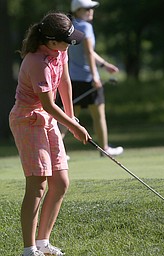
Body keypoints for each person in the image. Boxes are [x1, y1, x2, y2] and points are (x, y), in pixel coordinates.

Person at [9, 12, 91, 256]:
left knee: (61, 182)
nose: (71, 43)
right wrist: (75, 127)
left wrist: (72, 115)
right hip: (27, 120)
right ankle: (29, 248)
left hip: (48, 119)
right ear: (51, 41)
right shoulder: (37, 62)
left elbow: (65, 81)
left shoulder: (59, 52)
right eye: (68, 40)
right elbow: (47, 105)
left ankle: (43, 243)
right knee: (38, 185)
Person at [61, 0, 123, 156]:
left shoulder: (71, 27)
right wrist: (96, 76)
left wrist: (104, 65)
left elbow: (88, 52)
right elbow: (88, 52)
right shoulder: (86, 27)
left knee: (68, 117)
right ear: (78, 10)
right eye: (87, 9)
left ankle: (58, 151)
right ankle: (105, 149)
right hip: (88, 79)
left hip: (73, 79)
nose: (91, 11)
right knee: (98, 115)